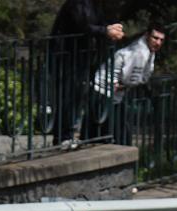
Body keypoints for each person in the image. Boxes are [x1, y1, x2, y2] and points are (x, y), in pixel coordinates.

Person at [48, 0, 124, 146]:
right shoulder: (76, 3)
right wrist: (105, 31)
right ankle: (63, 137)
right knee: (67, 96)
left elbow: (99, 23)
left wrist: (110, 28)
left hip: (79, 57)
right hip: (65, 56)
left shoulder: (93, 5)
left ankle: (68, 135)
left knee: (76, 96)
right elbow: (82, 26)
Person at [90, 22, 166, 144]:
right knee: (109, 135)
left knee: (113, 135)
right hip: (104, 93)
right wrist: (123, 84)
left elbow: (142, 77)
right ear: (147, 35)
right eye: (155, 38)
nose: (158, 43)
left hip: (113, 94)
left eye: (161, 40)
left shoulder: (148, 51)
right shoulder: (140, 52)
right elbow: (131, 77)